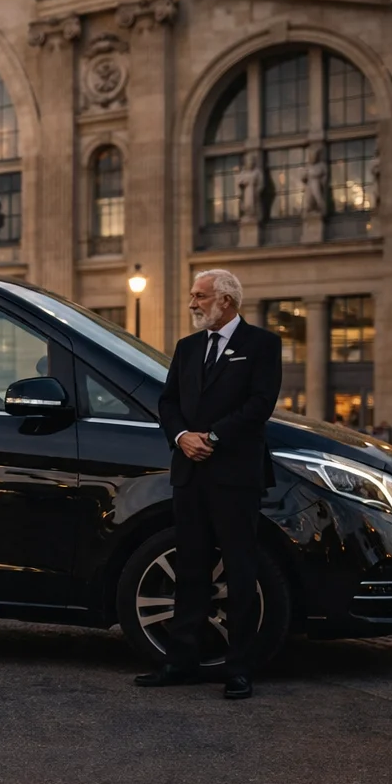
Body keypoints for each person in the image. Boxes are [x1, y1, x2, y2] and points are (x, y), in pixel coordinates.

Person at [141, 268, 282, 700]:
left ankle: (238, 669)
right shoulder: (187, 348)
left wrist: (213, 438)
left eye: (199, 296)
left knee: (240, 572)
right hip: (189, 474)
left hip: (235, 477)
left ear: (225, 300)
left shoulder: (262, 345)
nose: (192, 303)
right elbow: (167, 403)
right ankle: (180, 662)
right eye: (192, 296)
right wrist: (183, 437)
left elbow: (261, 404)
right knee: (190, 569)